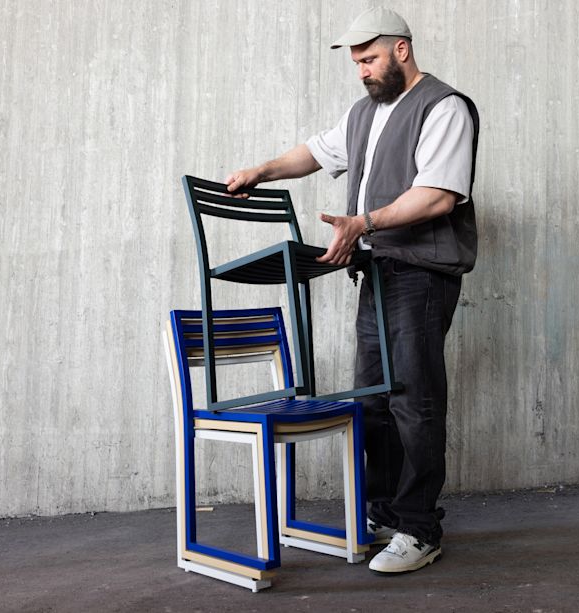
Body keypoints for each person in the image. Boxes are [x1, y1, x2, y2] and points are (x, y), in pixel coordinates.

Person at [224, 6, 479, 575]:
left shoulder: (445, 108)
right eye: (356, 63)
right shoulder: (365, 114)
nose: (362, 71)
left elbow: (437, 196)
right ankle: (386, 511)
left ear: (402, 51)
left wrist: (363, 222)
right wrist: (260, 171)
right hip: (380, 273)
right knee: (373, 401)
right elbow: (313, 153)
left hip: (423, 274)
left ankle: (420, 528)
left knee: (414, 399)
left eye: (369, 59)